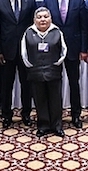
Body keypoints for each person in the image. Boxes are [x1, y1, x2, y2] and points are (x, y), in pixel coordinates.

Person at [42, 0, 88, 128]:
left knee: (74, 83)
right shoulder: (47, 0)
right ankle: (55, 116)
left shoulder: (79, 0)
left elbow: (84, 27)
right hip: (53, 51)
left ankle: (76, 115)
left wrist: (83, 49)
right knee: (54, 84)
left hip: (73, 49)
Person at [0, 0, 36, 128]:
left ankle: (26, 114)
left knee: (27, 85)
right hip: (6, 51)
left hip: (26, 51)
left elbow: (34, 27)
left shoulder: (30, 0)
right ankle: (7, 115)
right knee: (6, 86)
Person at [21, 7, 67, 137]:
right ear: (34, 20)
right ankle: (43, 126)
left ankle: (57, 126)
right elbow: (23, 52)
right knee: (39, 99)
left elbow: (63, 50)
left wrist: (56, 64)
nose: (43, 20)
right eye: (39, 17)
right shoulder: (28, 32)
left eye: (45, 17)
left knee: (55, 99)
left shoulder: (57, 31)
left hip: (53, 71)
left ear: (50, 19)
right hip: (35, 72)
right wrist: (30, 66)